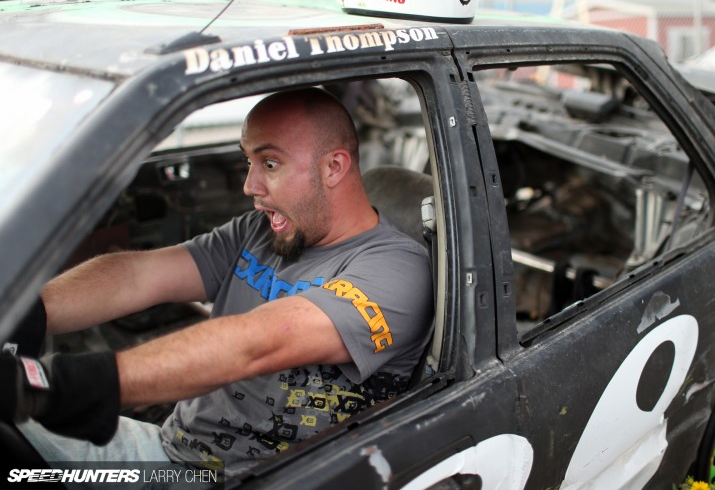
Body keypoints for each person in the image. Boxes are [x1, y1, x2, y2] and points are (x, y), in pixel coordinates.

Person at [0, 87, 434, 476]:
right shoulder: (262, 232)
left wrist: (49, 385)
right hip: (171, 453)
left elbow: (260, 341)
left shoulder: (396, 271)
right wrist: (26, 312)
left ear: (334, 167)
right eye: (249, 162)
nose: (250, 185)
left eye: (270, 162)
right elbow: (139, 276)